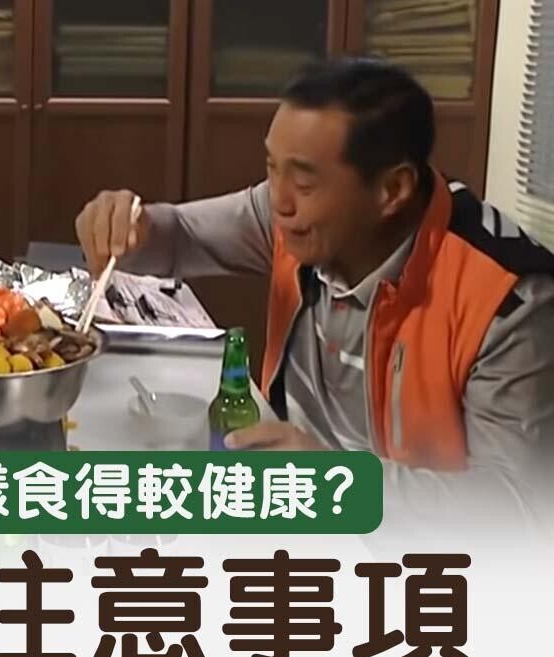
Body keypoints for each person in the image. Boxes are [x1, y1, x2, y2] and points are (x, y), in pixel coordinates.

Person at [76, 58, 554, 527]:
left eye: (304, 181)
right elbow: (182, 235)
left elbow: (517, 509)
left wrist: (338, 482)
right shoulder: (292, 216)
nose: (278, 201)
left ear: (392, 190)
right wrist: (132, 226)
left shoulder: (508, 302)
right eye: (272, 168)